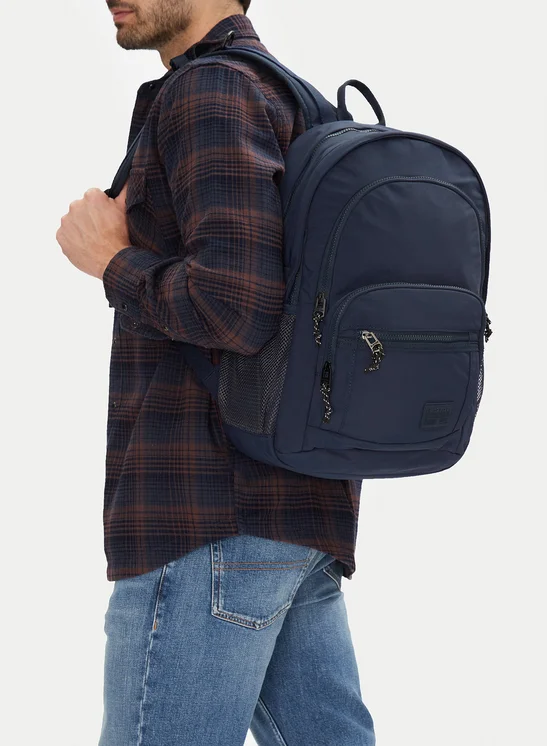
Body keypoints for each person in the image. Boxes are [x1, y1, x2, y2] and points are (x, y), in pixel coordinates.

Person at [55, 1, 375, 743]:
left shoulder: (210, 90)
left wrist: (111, 260)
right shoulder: (291, 95)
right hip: (294, 514)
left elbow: (233, 307)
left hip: (206, 522)